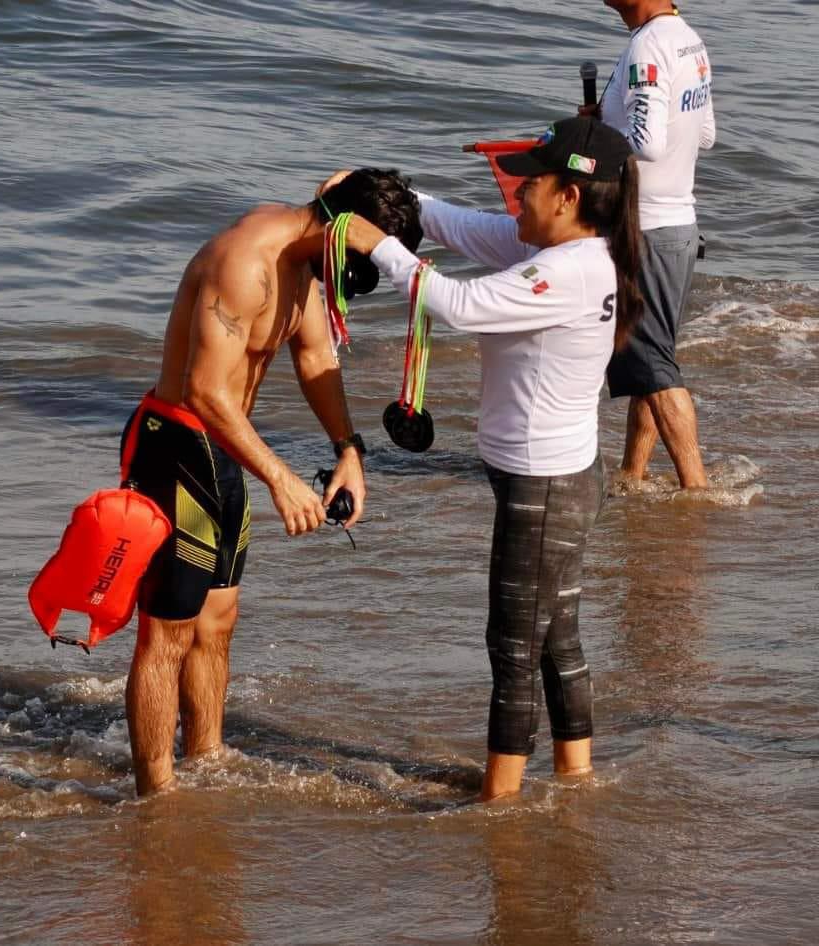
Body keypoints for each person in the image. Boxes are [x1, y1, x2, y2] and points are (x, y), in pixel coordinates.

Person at [337, 117, 643, 800]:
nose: (517, 193)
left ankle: (498, 802)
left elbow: (462, 305)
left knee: (513, 647)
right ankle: (574, 776)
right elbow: (468, 228)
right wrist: (388, 200)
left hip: (544, 486)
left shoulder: (566, 269)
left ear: (567, 196)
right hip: (555, 476)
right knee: (554, 637)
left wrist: (381, 247)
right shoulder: (569, 250)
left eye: (530, 181)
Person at [120, 169, 422, 795]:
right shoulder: (245, 263)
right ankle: (156, 795)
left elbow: (314, 357)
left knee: (218, 620)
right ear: (345, 233)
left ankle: (206, 757)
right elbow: (205, 392)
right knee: (168, 632)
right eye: (369, 257)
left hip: (228, 451)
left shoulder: (303, 263)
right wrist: (283, 480)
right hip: (177, 449)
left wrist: (349, 450)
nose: (366, 276)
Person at [585, 0, 715, 488]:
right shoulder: (690, 40)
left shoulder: (648, 45)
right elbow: (705, 135)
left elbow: (648, 141)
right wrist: (609, 116)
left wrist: (595, 133)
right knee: (651, 360)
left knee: (653, 364)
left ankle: (697, 488)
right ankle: (631, 474)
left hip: (645, 229)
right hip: (679, 226)